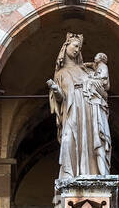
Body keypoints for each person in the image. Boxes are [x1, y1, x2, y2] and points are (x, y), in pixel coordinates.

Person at [48, 34, 112, 179]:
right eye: (75, 46)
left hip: (89, 109)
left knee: (92, 140)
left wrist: (94, 84)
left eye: (79, 47)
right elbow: (60, 99)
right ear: (66, 47)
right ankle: (69, 175)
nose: (77, 50)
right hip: (71, 109)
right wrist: (56, 90)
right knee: (68, 139)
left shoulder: (86, 70)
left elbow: (103, 89)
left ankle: (94, 173)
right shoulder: (61, 73)